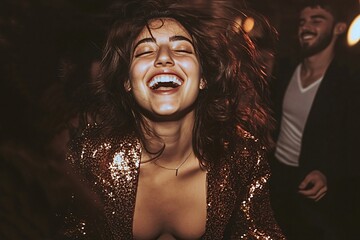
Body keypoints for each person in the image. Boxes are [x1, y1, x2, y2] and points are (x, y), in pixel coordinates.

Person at [58, 0, 285, 239]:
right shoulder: (91, 156)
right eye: (145, 51)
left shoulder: (240, 156)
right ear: (127, 81)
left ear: (203, 79)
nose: (164, 58)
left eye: (182, 49)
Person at [269, 0, 359, 239]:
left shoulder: (349, 81)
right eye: (302, 21)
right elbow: (271, 116)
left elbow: (353, 143)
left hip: (316, 189)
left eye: (316, 20)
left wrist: (328, 173)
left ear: (339, 28)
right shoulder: (286, 68)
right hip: (276, 177)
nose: (306, 27)